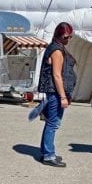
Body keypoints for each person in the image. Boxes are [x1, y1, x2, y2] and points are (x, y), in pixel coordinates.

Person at [35, 22, 77, 168]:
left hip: (52, 92)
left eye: (70, 37)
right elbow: (57, 75)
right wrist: (63, 97)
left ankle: (47, 151)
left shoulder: (54, 47)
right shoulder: (57, 51)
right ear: (60, 35)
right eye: (66, 36)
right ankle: (48, 155)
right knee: (53, 123)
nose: (68, 39)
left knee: (51, 123)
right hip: (54, 92)